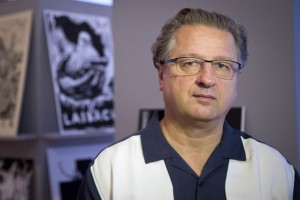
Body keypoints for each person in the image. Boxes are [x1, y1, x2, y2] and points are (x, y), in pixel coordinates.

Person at [76, 8, 300, 200]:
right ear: (162, 75)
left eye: (222, 66)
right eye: (190, 63)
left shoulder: (276, 172)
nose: (207, 79)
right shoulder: (110, 170)